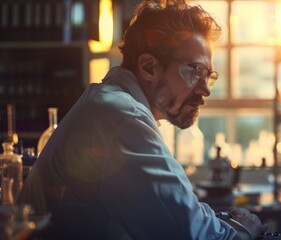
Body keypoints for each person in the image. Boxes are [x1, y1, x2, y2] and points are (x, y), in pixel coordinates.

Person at [16, 0, 266, 239]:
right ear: (148, 67)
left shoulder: (111, 105)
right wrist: (241, 229)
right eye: (196, 71)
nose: (206, 90)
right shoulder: (122, 118)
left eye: (208, 76)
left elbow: (176, 212)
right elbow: (186, 232)